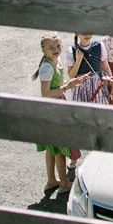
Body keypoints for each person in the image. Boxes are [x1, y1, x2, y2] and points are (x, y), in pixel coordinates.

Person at [33, 33, 88, 193]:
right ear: (44, 50)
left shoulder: (55, 62)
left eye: (58, 46)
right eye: (51, 48)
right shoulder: (46, 67)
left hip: (56, 106)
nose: (56, 50)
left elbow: (59, 82)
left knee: (52, 148)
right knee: (59, 148)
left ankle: (51, 180)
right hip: (52, 109)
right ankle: (63, 183)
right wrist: (66, 87)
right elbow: (46, 93)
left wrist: (72, 82)